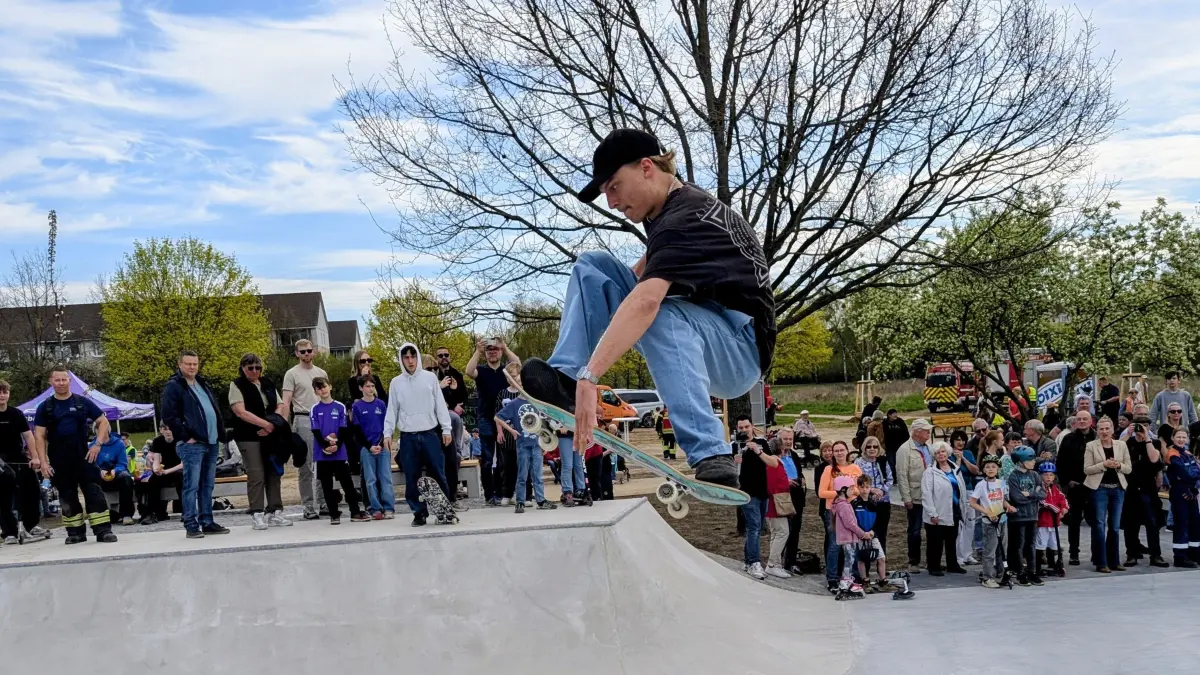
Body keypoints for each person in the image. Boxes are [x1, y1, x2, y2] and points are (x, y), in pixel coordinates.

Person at [518, 129, 775, 492]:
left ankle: (710, 451)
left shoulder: (685, 218)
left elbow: (646, 301)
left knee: (655, 313)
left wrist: (594, 377)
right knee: (593, 268)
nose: (611, 202)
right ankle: (564, 379)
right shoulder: (669, 210)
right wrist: (583, 371)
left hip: (740, 351)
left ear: (646, 167)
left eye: (614, 187)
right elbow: (639, 276)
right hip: (709, 328)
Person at [32, 367, 117, 544]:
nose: (61, 383)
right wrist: (43, 462)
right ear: (51, 382)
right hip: (59, 459)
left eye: (64, 380)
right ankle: (75, 532)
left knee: (94, 493)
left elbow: (103, 421)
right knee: (67, 495)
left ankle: (103, 531)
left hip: (85, 457)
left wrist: (97, 445)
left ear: (69, 381)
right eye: (57, 380)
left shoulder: (82, 402)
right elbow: (39, 435)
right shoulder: (45, 407)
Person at [160, 352, 230, 539]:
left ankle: (207, 521)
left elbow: (213, 409)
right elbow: (169, 415)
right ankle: (191, 524)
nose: (192, 367)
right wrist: (186, 436)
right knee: (191, 485)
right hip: (193, 443)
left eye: (195, 364)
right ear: (180, 364)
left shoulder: (202, 383)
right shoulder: (174, 386)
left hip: (211, 441)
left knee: (207, 485)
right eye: (188, 364)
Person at [384, 343, 453, 526]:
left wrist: (446, 428)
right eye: (406, 357)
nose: (410, 361)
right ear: (401, 359)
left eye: (413, 356)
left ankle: (443, 510)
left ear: (418, 358)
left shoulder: (430, 378)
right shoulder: (396, 383)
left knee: (438, 472)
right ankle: (419, 512)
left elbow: (440, 404)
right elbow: (392, 409)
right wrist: (387, 433)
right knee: (412, 476)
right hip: (408, 436)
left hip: (430, 433)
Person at [229, 352, 292, 531]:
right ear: (243, 368)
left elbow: (281, 405)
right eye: (251, 368)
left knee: (274, 472)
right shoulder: (237, 385)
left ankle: (275, 511)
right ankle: (257, 513)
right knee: (256, 474)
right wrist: (265, 424)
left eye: (258, 368)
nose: (255, 371)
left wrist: (272, 423)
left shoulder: (267, 383)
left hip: (270, 435)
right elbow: (240, 411)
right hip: (248, 436)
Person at [308, 377, 368, 525]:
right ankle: (334, 514)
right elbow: (315, 429)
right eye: (319, 388)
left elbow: (343, 428)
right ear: (315, 391)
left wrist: (337, 444)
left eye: (324, 386)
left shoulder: (340, 406)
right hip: (322, 454)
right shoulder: (314, 409)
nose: (322, 390)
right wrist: (325, 445)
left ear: (330, 386)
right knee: (327, 485)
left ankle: (355, 512)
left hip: (339, 452)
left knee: (347, 484)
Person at [494, 380, 559, 514]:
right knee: (522, 474)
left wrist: (545, 440)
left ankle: (540, 500)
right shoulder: (514, 404)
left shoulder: (535, 402)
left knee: (538, 475)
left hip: (536, 444)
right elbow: (497, 417)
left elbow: (544, 421)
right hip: (523, 444)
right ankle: (520, 501)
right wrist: (511, 431)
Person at [282, 339, 329, 520]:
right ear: (297, 353)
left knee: (324, 463)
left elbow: (326, 395)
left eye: (309, 351)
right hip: (303, 417)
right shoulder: (291, 374)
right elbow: (286, 401)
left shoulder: (321, 373)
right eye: (302, 352)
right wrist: (284, 426)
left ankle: (324, 501)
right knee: (306, 466)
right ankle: (308, 505)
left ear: (314, 351)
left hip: (323, 417)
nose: (306, 354)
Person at [0, 379, 47, 542]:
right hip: (1, 460)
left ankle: (31, 525)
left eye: (5, 392)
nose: (2, 395)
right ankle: (9, 532)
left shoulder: (16, 414)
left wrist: (35, 457)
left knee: (33, 487)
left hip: (18, 457)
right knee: (4, 495)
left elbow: (28, 436)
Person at [1083, 416, 1131, 573]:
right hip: (1099, 489)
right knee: (1099, 525)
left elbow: (1128, 468)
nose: (1104, 431)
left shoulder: (1121, 445)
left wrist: (1118, 465)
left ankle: (1114, 561)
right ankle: (1100, 562)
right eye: (1101, 429)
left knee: (1115, 527)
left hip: (1118, 489)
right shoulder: (1091, 446)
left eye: (1107, 428)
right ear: (1097, 430)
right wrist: (1103, 465)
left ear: (1112, 430)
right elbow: (1087, 469)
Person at [1123, 414, 1168, 568]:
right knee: (1131, 524)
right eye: (1138, 425)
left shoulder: (1153, 442)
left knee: (1152, 523)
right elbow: (1116, 450)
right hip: (1131, 487)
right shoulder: (1127, 442)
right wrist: (1128, 434)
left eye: (1145, 425)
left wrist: (1147, 438)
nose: (1141, 428)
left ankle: (1156, 555)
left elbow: (1155, 459)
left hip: (1148, 488)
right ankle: (1132, 554)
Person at [818, 440, 863, 591]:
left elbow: (859, 489)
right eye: (836, 450)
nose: (839, 453)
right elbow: (822, 492)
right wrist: (841, 493)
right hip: (834, 510)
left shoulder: (855, 468)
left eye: (841, 450)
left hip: (851, 509)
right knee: (834, 545)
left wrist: (853, 492)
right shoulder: (829, 470)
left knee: (852, 544)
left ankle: (852, 576)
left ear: (847, 451)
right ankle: (832, 578)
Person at [920, 441, 968, 576]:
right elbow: (926, 493)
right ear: (934, 455)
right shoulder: (930, 472)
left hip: (954, 509)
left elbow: (961, 488)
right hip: (937, 511)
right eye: (937, 453)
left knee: (952, 539)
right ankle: (933, 566)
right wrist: (932, 513)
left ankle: (952, 564)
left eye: (942, 451)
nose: (940, 454)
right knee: (935, 541)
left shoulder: (955, 469)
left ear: (947, 453)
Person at [735, 416, 774, 580]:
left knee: (754, 527)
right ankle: (754, 562)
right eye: (741, 428)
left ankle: (747, 561)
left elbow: (773, 463)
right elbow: (728, 470)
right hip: (746, 494)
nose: (744, 430)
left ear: (752, 427)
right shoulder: (734, 446)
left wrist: (758, 451)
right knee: (754, 527)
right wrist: (734, 461)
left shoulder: (762, 443)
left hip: (763, 492)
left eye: (746, 427)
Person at [1056, 410, 1096, 565]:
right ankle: (1074, 553)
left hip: (1094, 485)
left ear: (1090, 420)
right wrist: (1067, 482)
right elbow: (1061, 462)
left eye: (1085, 419)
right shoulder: (1068, 438)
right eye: (1079, 419)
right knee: (1074, 521)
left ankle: (1097, 552)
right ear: (1075, 422)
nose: (1082, 421)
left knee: (1095, 521)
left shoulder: (1097, 437)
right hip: (1075, 486)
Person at [352, 377, 394, 520]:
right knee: (370, 479)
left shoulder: (381, 404)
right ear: (361, 388)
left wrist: (381, 444)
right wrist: (369, 446)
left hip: (382, 447)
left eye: (372, 386)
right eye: (367, 386)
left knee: (385, 477)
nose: (370, 389)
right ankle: (375, 508)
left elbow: (387, 426)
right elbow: (357, 431)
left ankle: (388, 507)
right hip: (366, 448)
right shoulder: (357, 407)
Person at [895, 418, 934, 573]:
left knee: (932, 529)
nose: (928, 433)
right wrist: (906, 498)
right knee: (915, 530)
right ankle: (914, 561)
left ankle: (932, 561)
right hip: (915, 495)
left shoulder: (929, 448)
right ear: (917, 432)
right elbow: (902, 475)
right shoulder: (905, 450)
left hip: (931, 495)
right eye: (926, 430)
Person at [971, 455, 1014, 588]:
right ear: (983, 469)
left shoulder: (1001, 483)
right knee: (990, 550)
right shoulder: (981, 485)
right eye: (987, 467)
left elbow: (1003, 500)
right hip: (990, 522)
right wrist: (987, 512)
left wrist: (1008, 506)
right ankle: (987, 577)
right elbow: (972, 502)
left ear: (998, 469)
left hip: (1002, 519)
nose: (990, 469)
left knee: (1002, 549)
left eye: (993, 467)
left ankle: (1001, 574)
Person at [830, 475, 873, 599]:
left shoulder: (842, 503)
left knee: (850, 559)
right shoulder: (843, 505)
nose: (853, 491)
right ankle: (845, 582)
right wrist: (862, 534)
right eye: (851, 488)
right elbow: (850, 524)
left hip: (849, 537)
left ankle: (847, 580)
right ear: (843, 490)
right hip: (848, 538)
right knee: (849, 560)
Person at [1007, 446, 1046, 585]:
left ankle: (1032, 572)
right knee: (1019, 545)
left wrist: (1030, 494)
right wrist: (1034, 496)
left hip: (1032, 515)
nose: (1034, 461)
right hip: (1018, 517)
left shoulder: (1035, 475)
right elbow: (1017, 498)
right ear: (1020, 461)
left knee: (1031, 545)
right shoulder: (1013, 476)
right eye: (1029, 459)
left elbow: (1043, 494)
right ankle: (1020, 573)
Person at [770, 428, 807, 574]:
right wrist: (786, 481)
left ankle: (790, 562)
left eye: (790, 439)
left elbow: (799, 471)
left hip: (797, 495)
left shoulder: (795, 455)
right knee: (783, 530)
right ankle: (776, 561)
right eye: (785, 439)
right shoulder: (773, 456)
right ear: (779, 439)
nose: (788, 442)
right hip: (782, 496)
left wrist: (801, 478)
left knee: (795, 530)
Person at [1164, 427, 1200, 568]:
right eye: (1178, 437)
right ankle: (1180, 557)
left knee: (1195, 523)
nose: (1181, 439)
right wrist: (1191, 478)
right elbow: (1186, 473)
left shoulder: (1187, 453)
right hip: (1179, 492)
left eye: (1184, 437)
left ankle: (1194, 554)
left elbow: (1197, 472)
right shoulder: (1172, 454)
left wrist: (1192, 487)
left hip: (1191, 490)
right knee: (1181, 524)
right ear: (1173, 438)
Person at [91, 423, 135, 526]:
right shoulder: (91, 446)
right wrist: (99, 471)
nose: (101, 431)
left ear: (108, 430)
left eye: (103, 428)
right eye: (97, 429)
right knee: (89, 480)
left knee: (126, 478)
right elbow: (91, 464)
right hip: (100, 475)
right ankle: (99, 514)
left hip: (116, 473)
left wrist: (115, 470)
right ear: (95, 431)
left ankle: (126, 515)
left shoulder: (119, 444)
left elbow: (123, 463)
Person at [855, 437, 892, 555]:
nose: (872, 449)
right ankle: (864, 564)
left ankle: (881, 561)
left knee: (882, 534)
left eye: (875, 447)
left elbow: (890, 479)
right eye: (868, 446)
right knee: (866, 532)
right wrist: (871, 490)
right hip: (865, 503)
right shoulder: (858, 462)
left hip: (883, 501)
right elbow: (856, 482)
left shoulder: (883, 461)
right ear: (864, 448)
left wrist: (881, 491)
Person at [853, 474, 890, 592]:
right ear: (858, 487)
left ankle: (882, 581)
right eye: (862, 487)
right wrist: (861, 533)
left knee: (881, 557)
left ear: (870, 488)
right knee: (861, 559)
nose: (865, 490)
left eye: (867, 487)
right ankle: (865, 581)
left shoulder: (874, 503)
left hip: (873, 535)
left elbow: (879, 521)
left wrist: (872, 532)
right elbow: (853, 521)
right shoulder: (854, 503)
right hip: (860, 536)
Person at [493, 363, 523, 505]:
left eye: (515, 376)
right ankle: (507, 493)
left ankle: (525, 494)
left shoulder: (524, 394)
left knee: (523, 465)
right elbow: (497, 415)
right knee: (507, 466)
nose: (512, 379)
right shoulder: (502, 394)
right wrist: (499, 432)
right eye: (509, 377)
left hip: (523, 436)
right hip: (507, 435)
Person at [763, 440, 793, 579]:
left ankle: (775, 563)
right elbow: (773, 485)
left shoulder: (771, 464)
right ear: (781, 450)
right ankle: (773, 564)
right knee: (782, 532)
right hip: (776, 503)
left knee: (776, 533)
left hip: (772, 503)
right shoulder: (775, 465)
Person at [143, 423, 183, 522]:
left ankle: (186, 511)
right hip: (165, 469)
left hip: (179, 468)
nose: (168, 431)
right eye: (165, 429)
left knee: (182, 477)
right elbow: (156, 460)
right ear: (161, 430)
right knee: (153, 480)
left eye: (170, 429)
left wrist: (166, 471)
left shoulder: (181, 440)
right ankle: (151, 513)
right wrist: (156, 469)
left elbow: (184, 463)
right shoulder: (157, 441)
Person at [1035, 461, 1068, 578]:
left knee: (1054, 544)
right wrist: (1056, 509)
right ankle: (1037, 567)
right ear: (1040, 476)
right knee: (1041, 544)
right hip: (1043, 522)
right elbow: (1042, 502)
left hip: (1054, 522)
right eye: (1045, 475)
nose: (1048, 477)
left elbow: (1062, 498)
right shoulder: (1039, 488)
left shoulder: (1055, 488)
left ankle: (1053, 564)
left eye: (1051, 475)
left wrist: (1064, 508)